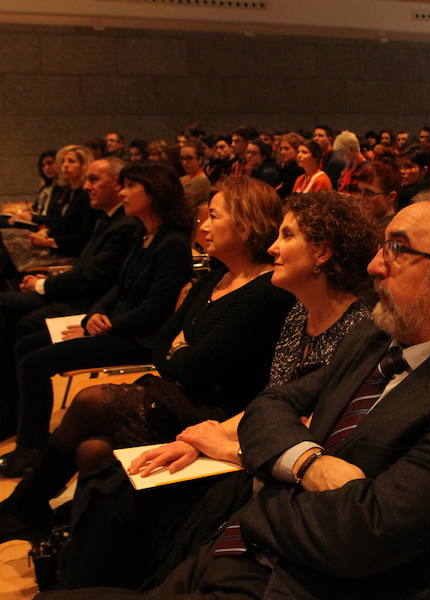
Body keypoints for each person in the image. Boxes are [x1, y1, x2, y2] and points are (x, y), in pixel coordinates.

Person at [35, 187, 430, 600]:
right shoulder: (377, 337)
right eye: (382, 247)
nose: (377, 266)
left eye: (398, 249)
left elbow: (357, 537)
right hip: (244, 553)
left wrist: (261, 489)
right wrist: (306, 465)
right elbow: (272, 404)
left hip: (310, 584)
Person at [59, 189, 378, 589]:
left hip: (280, 479)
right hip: (252, 449)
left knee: (131, 501)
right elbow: (270, 404)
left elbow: (317, 431)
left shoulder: (358, 330)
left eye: (288, 236)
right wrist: (197, 441)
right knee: (110, 478)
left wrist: (225, 446)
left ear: (324, 252)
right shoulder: (299, 313)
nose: (274, 247)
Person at [0, 175, 295, 540]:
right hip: (177, 391)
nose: (203, 225)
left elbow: (197, 367)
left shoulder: (266, 290)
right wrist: (178, 350)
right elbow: (162, 343)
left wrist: (179, 349)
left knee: (89, 400)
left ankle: (22, 508)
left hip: (218, 414)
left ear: (246, 223)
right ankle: (75, 529)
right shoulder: (214, 279)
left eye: (214, 216)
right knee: (93, 450)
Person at [0, 162, 194, 476]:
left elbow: (155, 309)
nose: (123, 192)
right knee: (26, 344)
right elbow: (117, 287)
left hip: (138, 340)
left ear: (154, 193)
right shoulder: (145, 235)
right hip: (115, 327)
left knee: (34, 362)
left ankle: (30, 449)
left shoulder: (173, 243)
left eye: (131, 186)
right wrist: (95, 315)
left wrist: (109, 324)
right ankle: (26, 432)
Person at [357, 155, 401, 233]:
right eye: (360, 191)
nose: (361, 198)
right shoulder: (371, 225)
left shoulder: (391, 233)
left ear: (391, 197)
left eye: (369, 193)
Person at [396, 144, 430, 211]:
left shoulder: (424, 198)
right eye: (399, 167)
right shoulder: (404, 190)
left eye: (408, 167)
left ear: (424, 170)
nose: (401, 171)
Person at [177, 140, 211, 209]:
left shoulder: (202, 181)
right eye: (182, 158)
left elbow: (181, 204)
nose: (185, 162)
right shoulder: (181, 179)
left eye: (189, 158)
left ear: (200, 160)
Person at [275, 132, 304, 198]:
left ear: (297, 150)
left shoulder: (298, 170)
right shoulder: (284, 168)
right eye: (281, 148)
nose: (282, 152)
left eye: (286, 149)